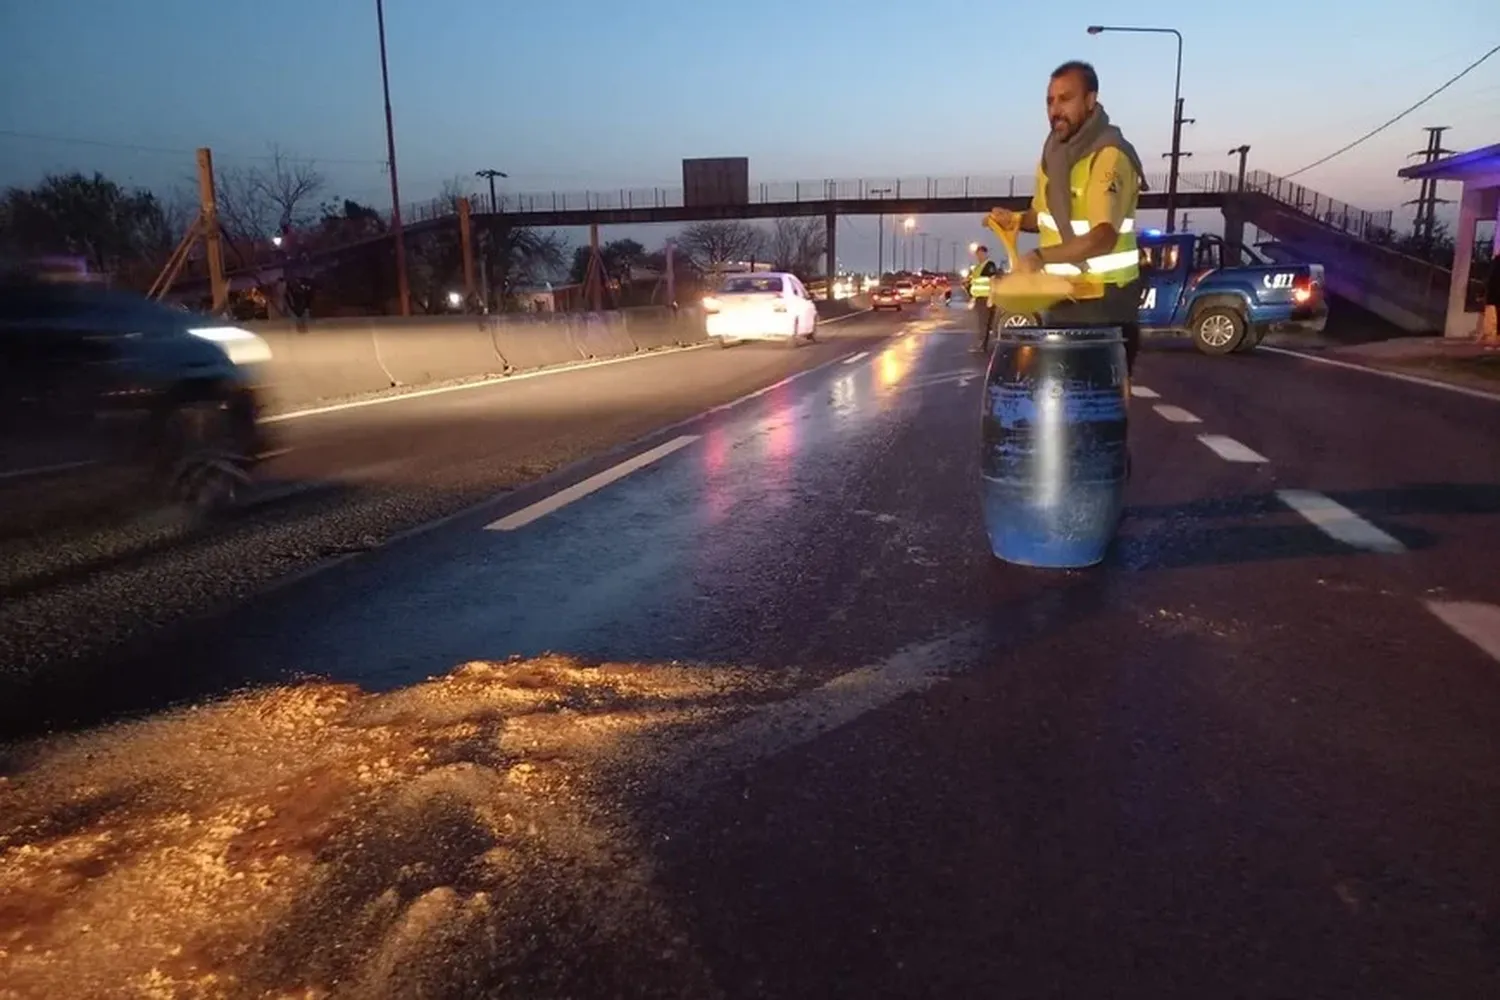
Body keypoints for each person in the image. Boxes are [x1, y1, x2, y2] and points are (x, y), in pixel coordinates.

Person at [988, 60, 1147, 375]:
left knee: (1094, 414)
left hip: (1104, 309)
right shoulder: (1053, 157)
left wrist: (1039, 256)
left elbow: (1103, 236)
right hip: (1061, 301)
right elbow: (1043, 216)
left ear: (1090, 101)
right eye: (1050, 101)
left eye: (1066, 98)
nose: (1055, 109)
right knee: (1060, 413)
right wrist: (1017, 220)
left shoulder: (1109, 156)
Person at [964, 245, 1001, 353]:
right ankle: (982, 344)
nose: (979, 256)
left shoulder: (989, 265)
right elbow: (974, 283)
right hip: (978, 298)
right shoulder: (977, 267)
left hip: (985, 298)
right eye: (977, 254)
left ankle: (981, 346)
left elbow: (993, 282)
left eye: (981, 254)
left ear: (985, 253)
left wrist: (991, 298)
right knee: (982, 323)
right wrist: (972, 299)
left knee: (983, 323)